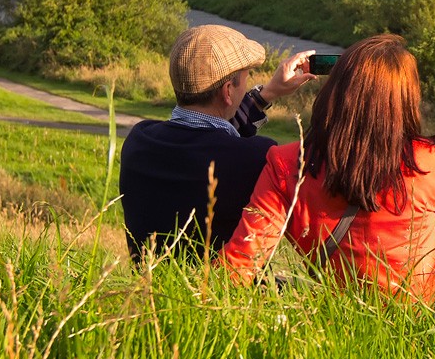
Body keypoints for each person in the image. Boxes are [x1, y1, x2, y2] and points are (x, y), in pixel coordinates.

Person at [221, 34, 435, 300]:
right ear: (406, 98)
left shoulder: (286, 164)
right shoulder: (430, 159)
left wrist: (266, 93)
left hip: (347, 320)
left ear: (334, 91)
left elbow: (239, 266)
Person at [119, 24, 314, 261]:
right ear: (228, 91)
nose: (247, 85)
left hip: (151, 285)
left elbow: (211, 140)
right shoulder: (257, 158)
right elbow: (225, 148)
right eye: (245, 79)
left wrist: (267, 94)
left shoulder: (139, 141)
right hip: (228, 291)